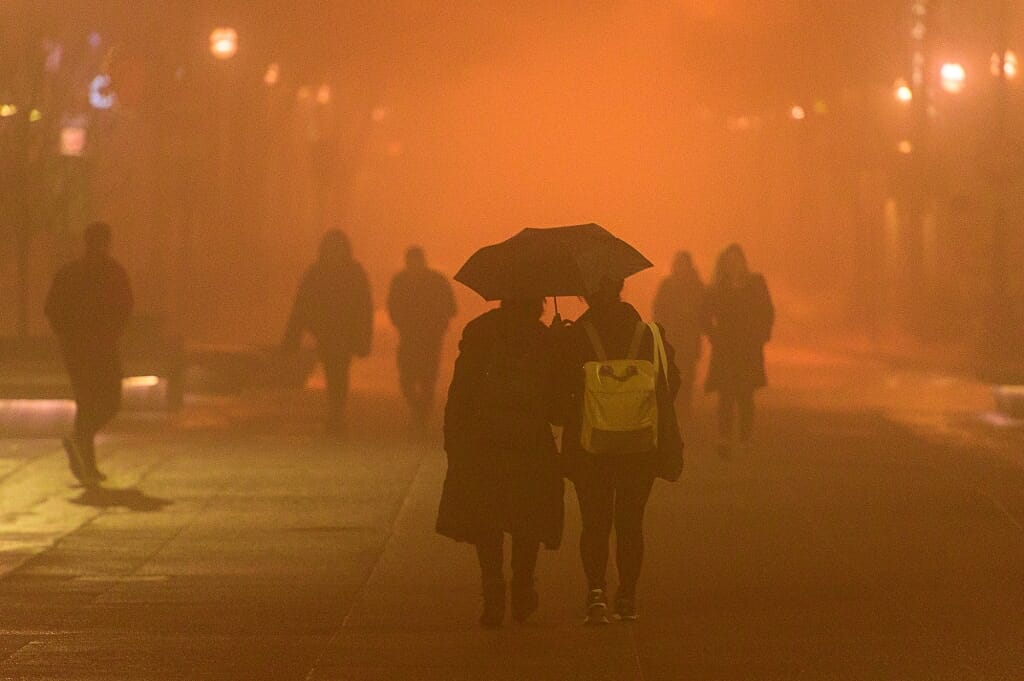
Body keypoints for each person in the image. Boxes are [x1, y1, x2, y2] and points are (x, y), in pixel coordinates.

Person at [554, 278, 681, 624]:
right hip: (639, 447)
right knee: (630, 522)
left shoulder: (574, 338)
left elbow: (558, 401)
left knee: (594, 522)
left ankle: (596, 593)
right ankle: (627, 595)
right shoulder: (650, 335)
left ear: (584, 295)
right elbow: (672, 383)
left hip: (589, 449)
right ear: (621, 286)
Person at [436, 298, 564, 629]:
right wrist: (559, 346)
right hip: (530, 445)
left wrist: (454, 440)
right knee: (527, 520)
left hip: (485, 443)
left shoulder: (480, 332)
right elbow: (558, 408)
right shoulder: (543, 340)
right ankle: (522, 587)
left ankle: (492, 589)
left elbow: (461, 393)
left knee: (488, 522)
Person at [45, 222, 134, 485]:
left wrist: (68, 336)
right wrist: (111, 331)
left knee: (87, 402)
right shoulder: (113, 272)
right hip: (102, 347)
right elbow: (125, 307)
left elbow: (52, 308)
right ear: (107, 242)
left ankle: (83, 451)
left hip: (78, 350)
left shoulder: (71, 272)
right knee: (109, 401)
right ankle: (84, 454)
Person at [282, 229, 373, 434]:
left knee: (338, 370)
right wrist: (293, 337)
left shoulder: (346, 273)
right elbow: (302, 306)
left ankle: (336, 408)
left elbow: (363, 307)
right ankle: (336, 408)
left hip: (343, 333)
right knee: (335, 370)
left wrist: (363, 337)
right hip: (326, 333)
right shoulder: (321, 273)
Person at [703, 243, 774, 459]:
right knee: (725, 394)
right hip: (726, 347)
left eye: (737, 260)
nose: (734, 265)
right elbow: (704, 313)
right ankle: (724, 437)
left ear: (743, 262)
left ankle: (745, 438)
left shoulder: (756, 283)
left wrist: (762, 335)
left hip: (748, 347)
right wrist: (713, 335)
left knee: (745, 394)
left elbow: (767, 311)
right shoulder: (718, 288)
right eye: (730, 262)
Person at [387, 246, 457, 428]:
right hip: (409, 335)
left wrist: (438, 323)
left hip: (430, 338)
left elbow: (450, 306)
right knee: (406, 376)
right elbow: (392, 305)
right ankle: (418, 406)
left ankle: (423, 411)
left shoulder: (436, 281)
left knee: (428, 377)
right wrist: (400, 322)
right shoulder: (401, 281)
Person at [652, 251, 706, 420]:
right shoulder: (667, 285)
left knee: (686, 380)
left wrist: (690, 316)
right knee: (668, 377)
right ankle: (671, 413)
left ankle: (683, 414)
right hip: (670, 339)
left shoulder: (697, 286)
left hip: (688, 342)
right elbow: (658, 310)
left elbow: (703, 313)